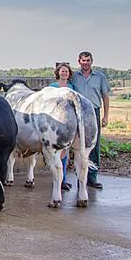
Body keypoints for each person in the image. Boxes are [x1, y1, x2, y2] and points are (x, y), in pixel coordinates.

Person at [70, 51, 111, 189]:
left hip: (94, 112)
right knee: (76, 144)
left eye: (88, 60)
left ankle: (92, 177)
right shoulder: (74, 77)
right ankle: (79, 176)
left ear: (91, 61)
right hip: (77, 112)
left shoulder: (99, 77)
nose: (85, 63)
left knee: (93, 145)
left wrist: (105, 116)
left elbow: (105, 96)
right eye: (83, 60)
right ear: (79, 61)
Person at [49, 62, 75, 191]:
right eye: (62, 71)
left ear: (69, 74)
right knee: (56, 152)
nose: (64, 73)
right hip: (54, 122)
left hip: (67, 123)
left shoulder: (72, 87)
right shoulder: (52, 87)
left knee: (65, 152)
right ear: (58, 73)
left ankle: (63, 179)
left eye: (66, 71)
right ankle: (57, 178)